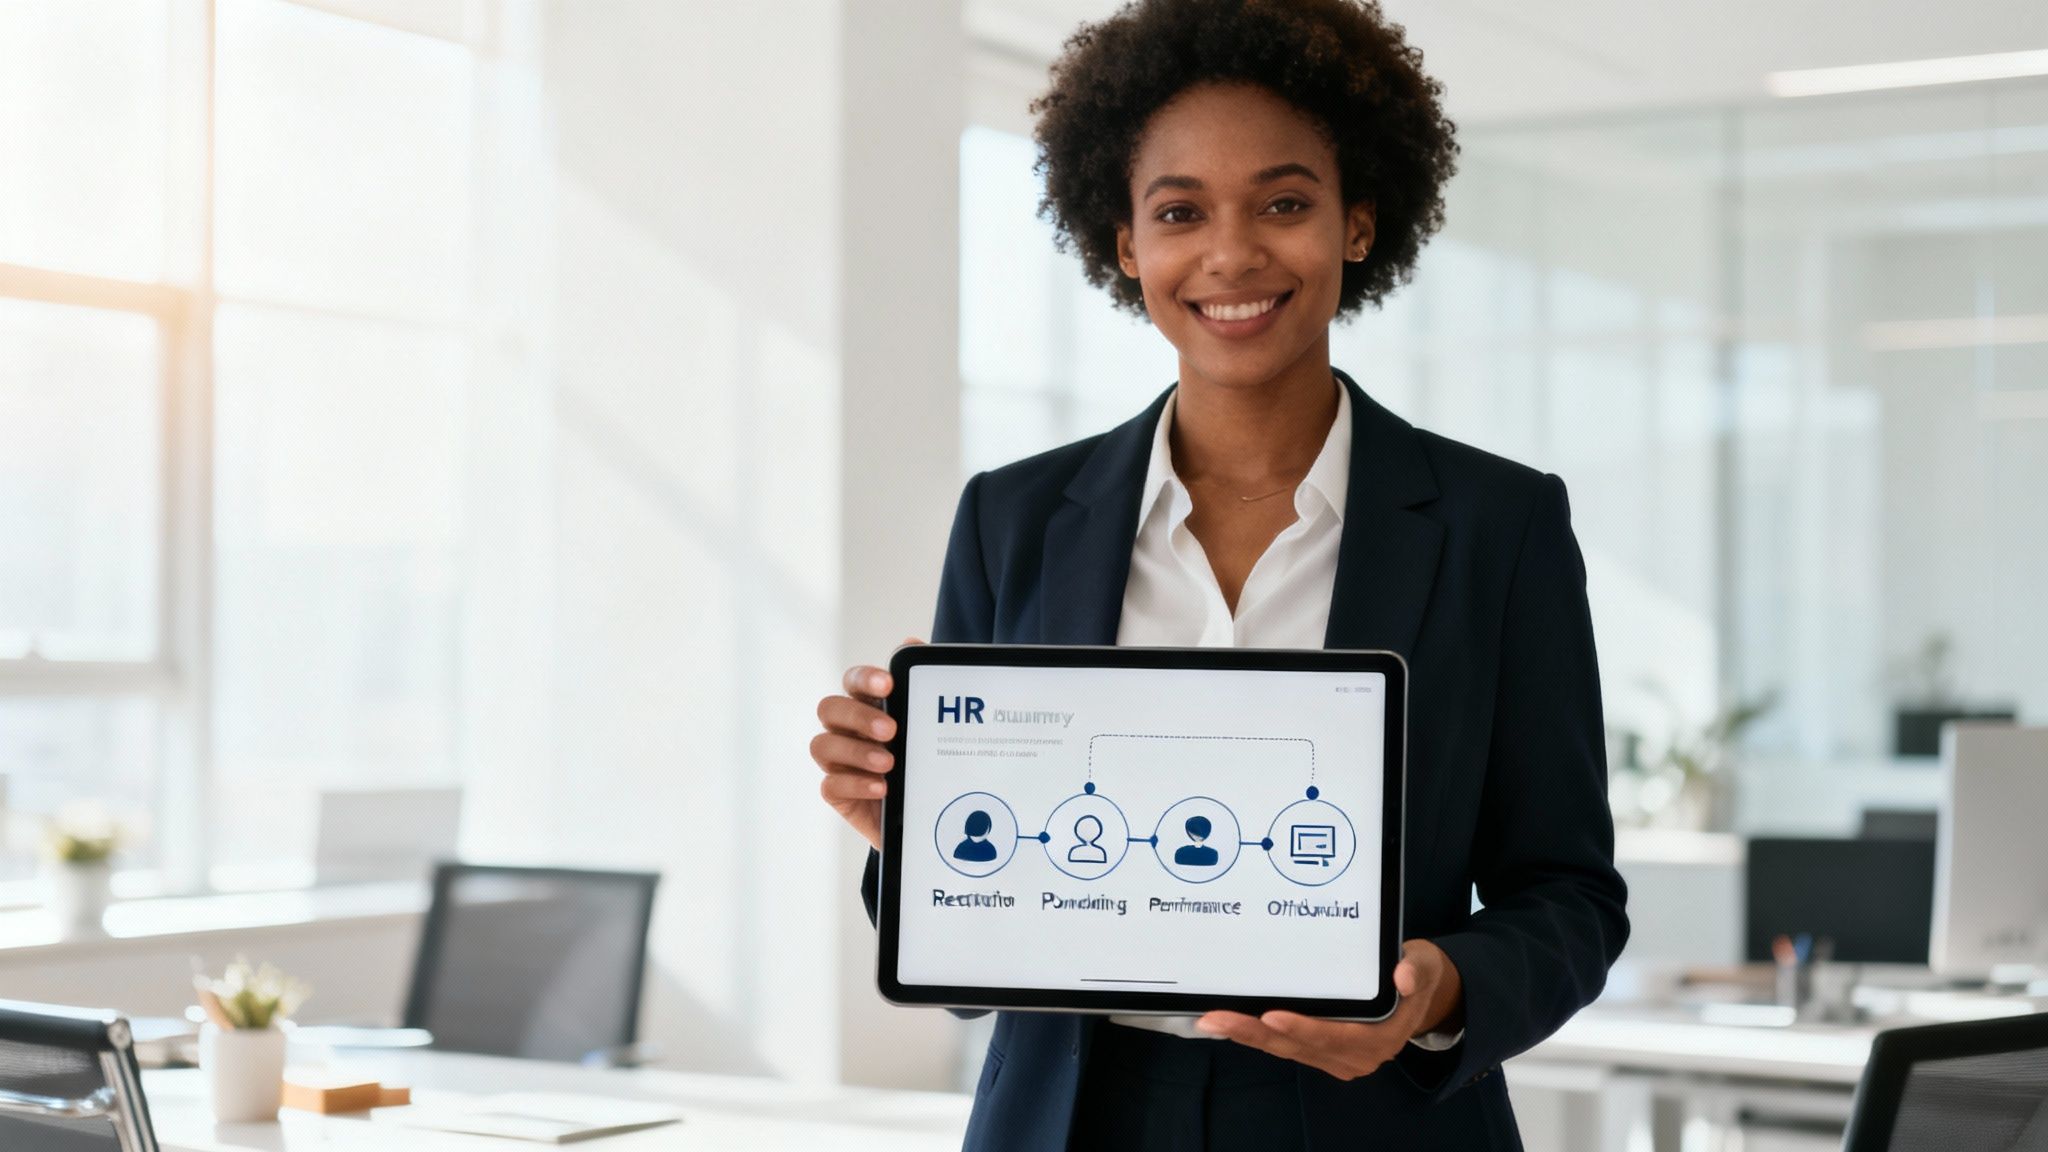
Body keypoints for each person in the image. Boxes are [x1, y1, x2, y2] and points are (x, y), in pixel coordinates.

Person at [809, 0, 1629, 1146]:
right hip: (1076, 1116)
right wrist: (916, 835)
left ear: (1356, 221)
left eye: (1283, 204)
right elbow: (971, 957)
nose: (1231, 255)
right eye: (1178, 211)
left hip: (1371, 1117)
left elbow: (1569, 896)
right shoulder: (1014, 517)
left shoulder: (1498, 525)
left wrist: (1434, 994)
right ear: (1124, 244)